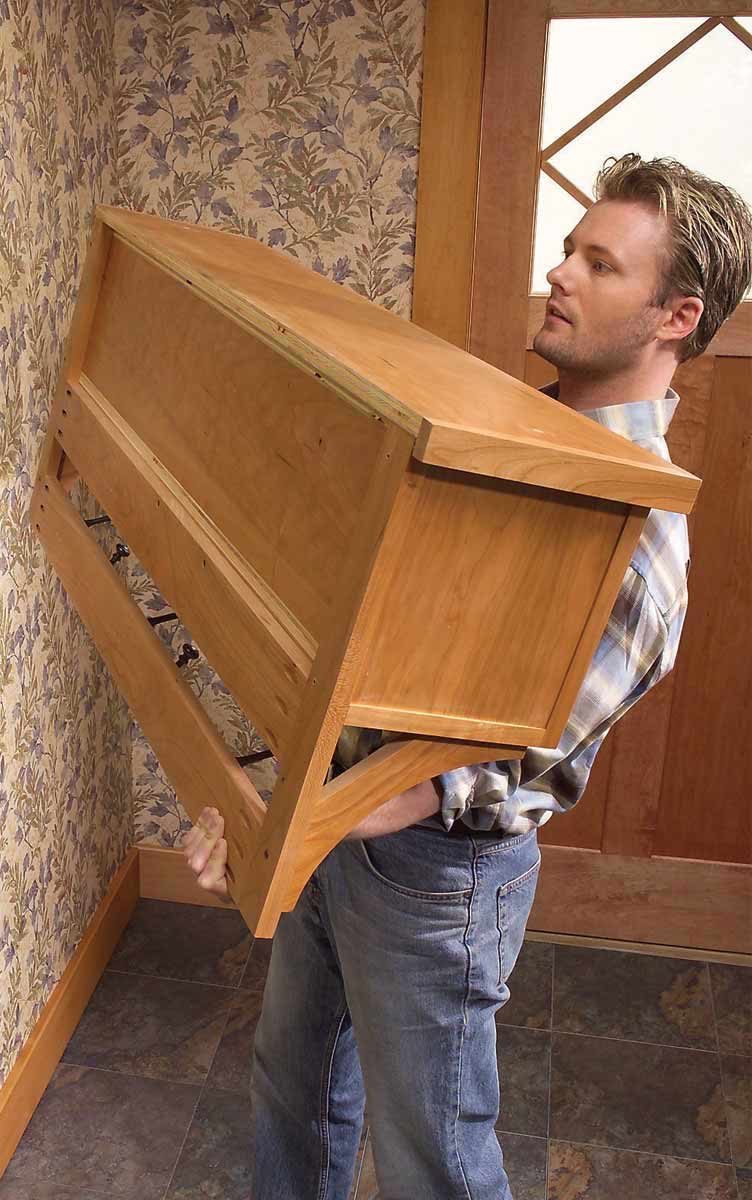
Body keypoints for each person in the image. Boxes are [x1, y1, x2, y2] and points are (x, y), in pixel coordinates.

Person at [181, 153, 752, 1200]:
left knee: (434, 1163)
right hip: (346, 813)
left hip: (439, 876)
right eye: (570, 250)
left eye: (601, 264)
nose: (560, 274)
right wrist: (282, 804)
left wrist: (318, 815)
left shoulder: (640, 537)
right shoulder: (496, 436)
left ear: (676, 318)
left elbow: (527, 759)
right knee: (292, 1090)